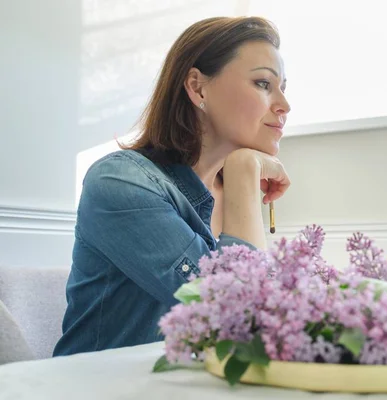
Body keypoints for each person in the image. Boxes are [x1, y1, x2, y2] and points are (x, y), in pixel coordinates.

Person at [53, 16, 291, 356]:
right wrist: (244, 169)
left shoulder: (234, 192)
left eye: (284, 87)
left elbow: (271, 325)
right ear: (196, 86)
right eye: (264, 84)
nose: (284, 105)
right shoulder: (120, 182)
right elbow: (239, 323)